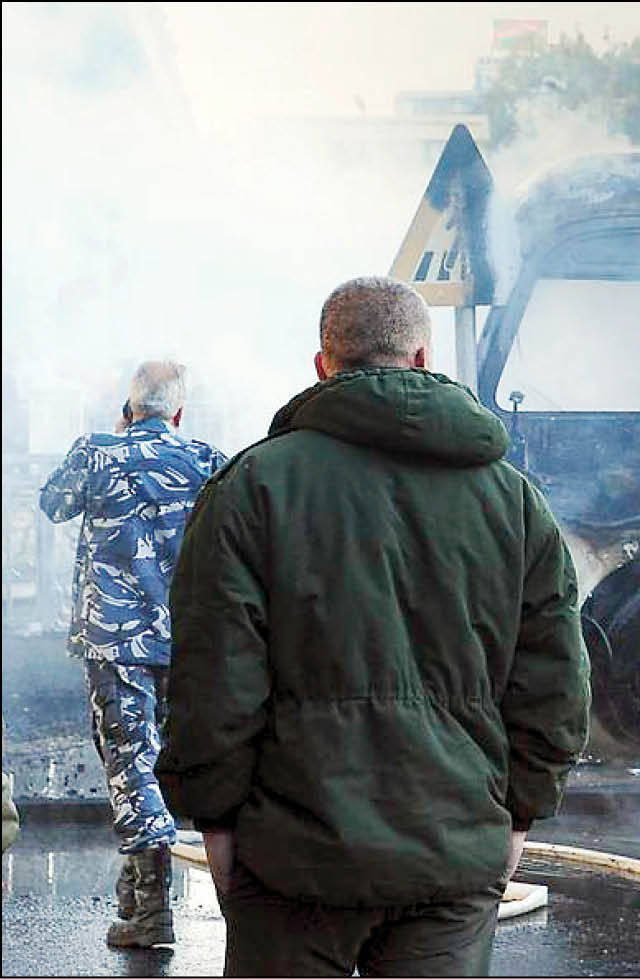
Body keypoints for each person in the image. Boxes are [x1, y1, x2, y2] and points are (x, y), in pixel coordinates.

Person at [156, 277, 591, 977]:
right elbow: (554, 677)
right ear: (422, 357)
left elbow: (213, 675)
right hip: (454, 850)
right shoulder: (512, 499)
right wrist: (519, 814)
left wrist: (214, 818)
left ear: (323, 364)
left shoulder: (253, 487)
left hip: (292, 853)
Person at [39, 361, 227, 948]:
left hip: (115, 639)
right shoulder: (206, 460)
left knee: (129, 763)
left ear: (129, 408)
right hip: (190, 640)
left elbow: (53, 504)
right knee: (167, 762)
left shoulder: (97, 453)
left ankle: (151, 914)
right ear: (177, 412)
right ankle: (137, 889)